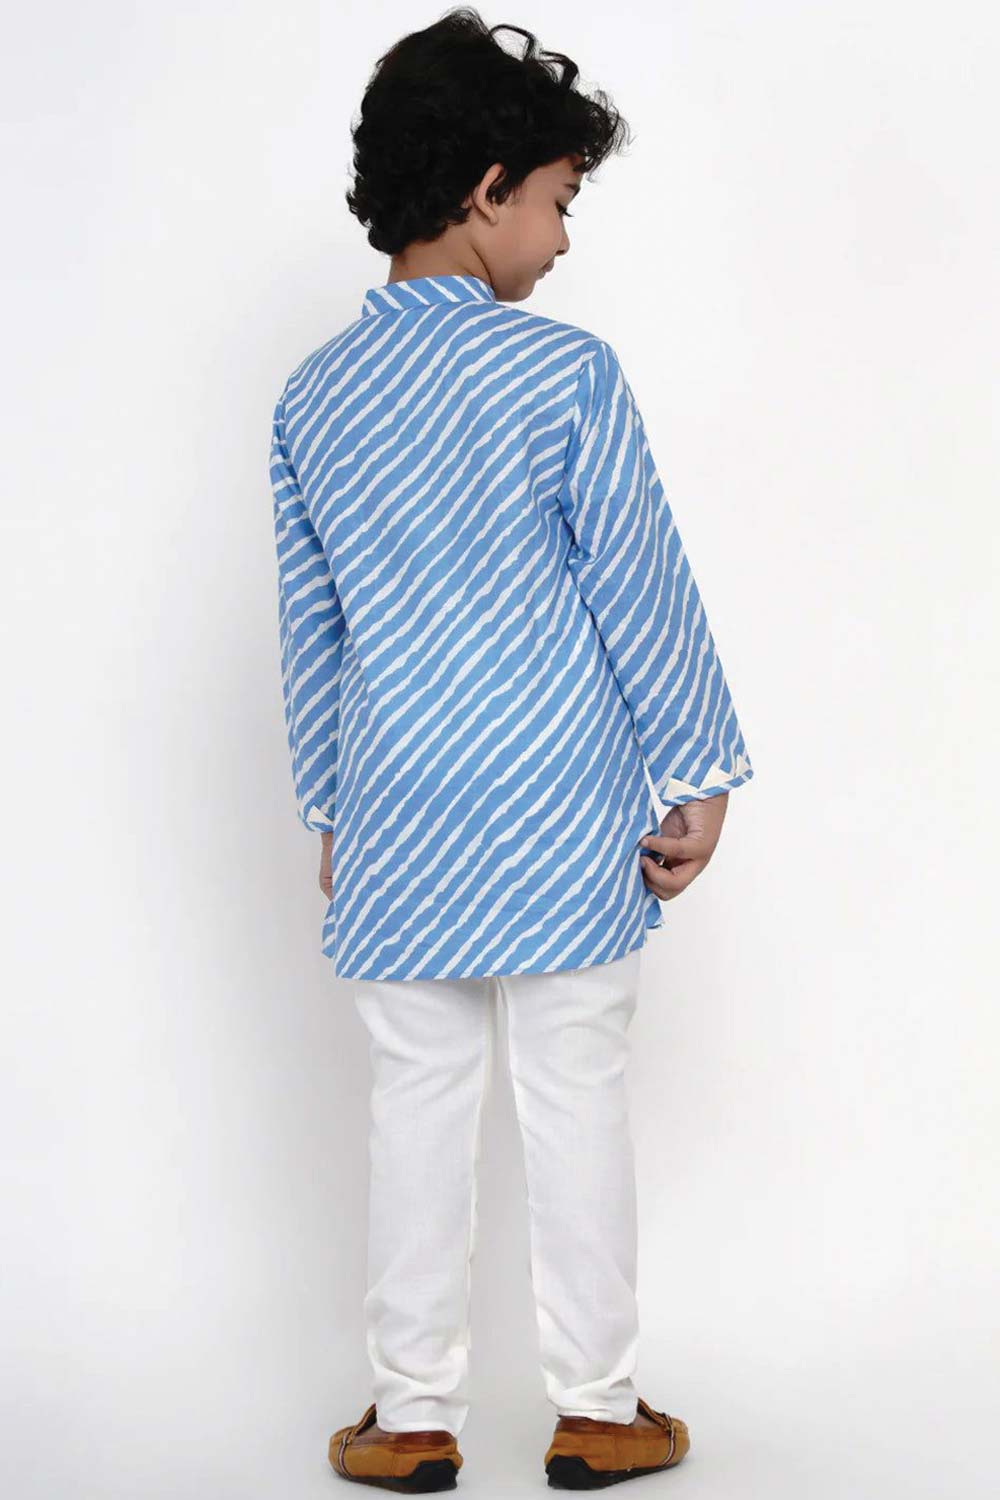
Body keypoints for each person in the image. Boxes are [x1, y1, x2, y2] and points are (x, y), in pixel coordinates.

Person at [268, 8, 754, 1491]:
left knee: (414, 1098)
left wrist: (330, 806)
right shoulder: (565, 375)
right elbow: (639, 583)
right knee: (576, 1090)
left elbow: (313, 630)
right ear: (487, 190)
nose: (561, 236)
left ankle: (411, 1415)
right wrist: (697, 773)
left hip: (401, 801)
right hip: (560, 796)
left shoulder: (312, 398)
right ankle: (598, 1407)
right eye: (556, 199)